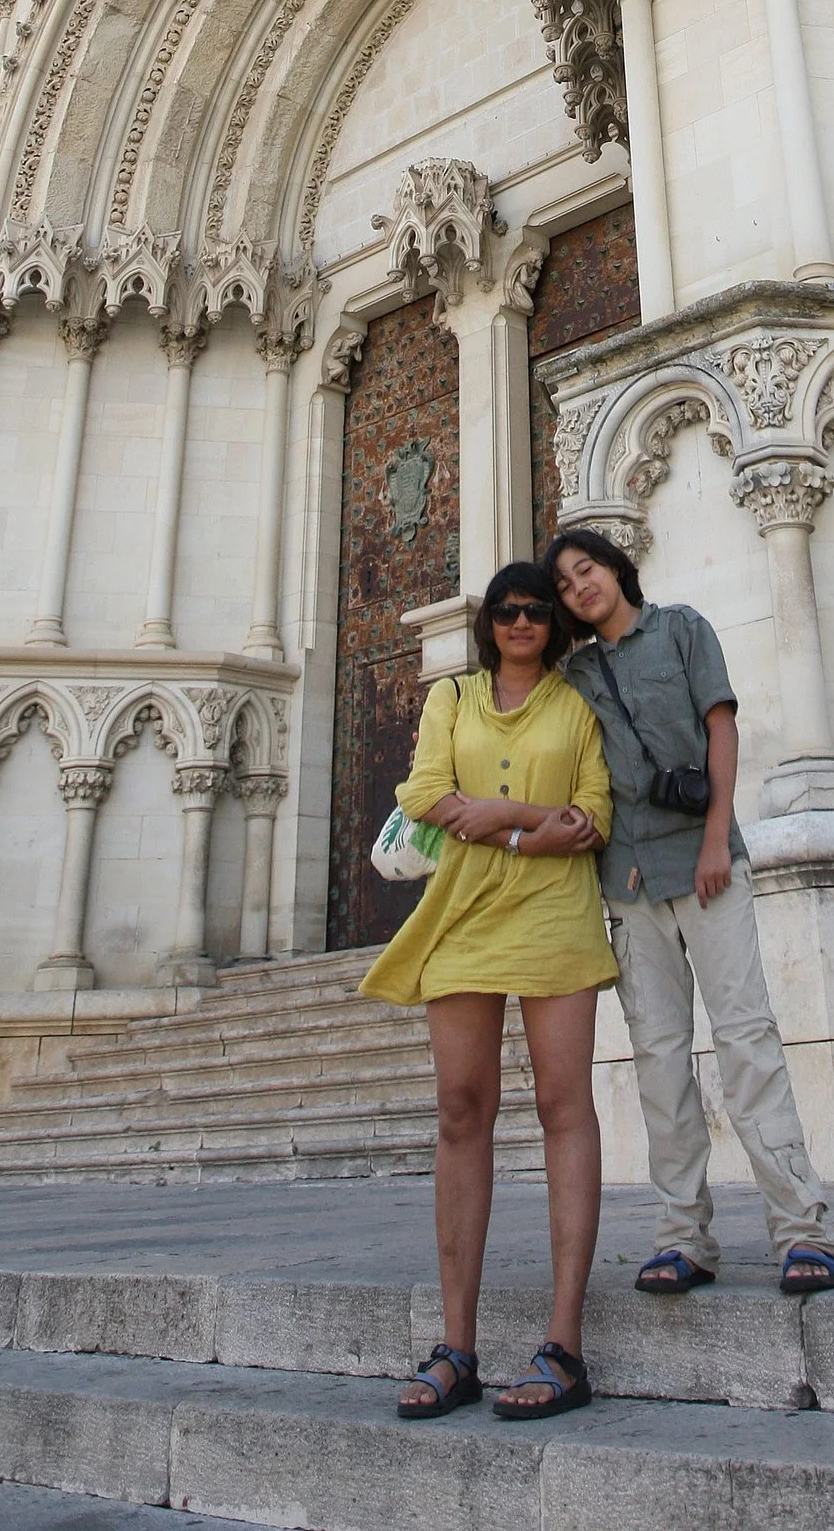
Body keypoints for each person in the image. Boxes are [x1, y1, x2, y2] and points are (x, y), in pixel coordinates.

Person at [547, 526, 834, 1297]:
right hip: (630, 882)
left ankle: (802, 1227)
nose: (581, 586)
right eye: (566, 583)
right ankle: (682, 1233)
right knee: (659, 1060)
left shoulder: (681, 628)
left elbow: (720, 726)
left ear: (616, 566)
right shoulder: (577, 675)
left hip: (707, 865)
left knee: (746, 1037)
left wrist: (717, 838)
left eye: (587, 568)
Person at [362, 558, 614, 1424]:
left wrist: (502, 819)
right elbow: (424, 792)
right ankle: (457, 1347)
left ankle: (564, 1342)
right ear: (488, 623)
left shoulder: (574, 705)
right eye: (506, 610)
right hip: (464, 913)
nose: (521, 621)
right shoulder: (453, 698)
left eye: (536, 609)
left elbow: (592, 817)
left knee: (562, 1105)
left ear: (554, 622)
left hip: (554, 916)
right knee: (461, 1109)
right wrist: (538, 825)